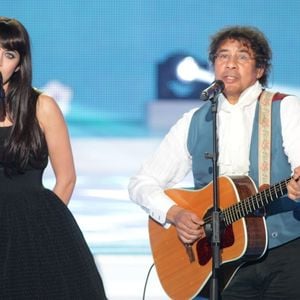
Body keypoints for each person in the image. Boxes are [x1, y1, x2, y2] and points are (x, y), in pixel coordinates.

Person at [128, 25, 300, 299]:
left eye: (242, 56)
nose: (230, 64)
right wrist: (175, 214)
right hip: (221, 264)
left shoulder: (285, 107)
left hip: (286, 253)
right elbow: (141, 183)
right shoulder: (194, 121)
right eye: (222, 56)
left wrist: (296, 185)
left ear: (260, 70)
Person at [0, 17, 107, 299]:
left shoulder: (42, 106)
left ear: (20, 64)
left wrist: (39, 231)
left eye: (8, 54)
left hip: (36, 227)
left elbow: (67, 178)